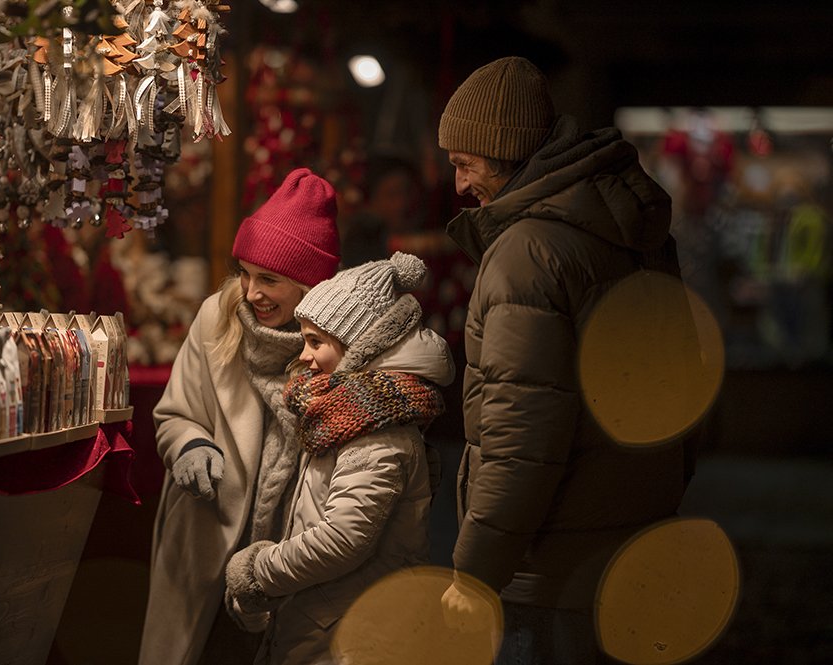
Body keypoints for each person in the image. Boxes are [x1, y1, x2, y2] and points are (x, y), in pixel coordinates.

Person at [435, 57, 700, 663]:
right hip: (635, 548)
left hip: (550, 579)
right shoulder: (634, 235)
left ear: (503, 154)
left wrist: (475, 573)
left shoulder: (528, 254)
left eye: (464, 164)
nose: (458, 186)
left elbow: (519, 442)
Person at [138, 168, 341, 665]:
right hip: (205, 548)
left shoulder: (340, 347)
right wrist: (190, 445)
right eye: (245, 273)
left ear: (310, 283)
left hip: (289, 566)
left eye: (269, 279)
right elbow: (174, 415)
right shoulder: (216, 317)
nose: (251, 292)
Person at [224, 252, 455, 665]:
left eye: (316, 342)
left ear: (361, 348)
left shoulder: (377, 428)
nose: (305, 356)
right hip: (332, 617)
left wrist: (259, 573)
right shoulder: (348, 414)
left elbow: (343, 539)